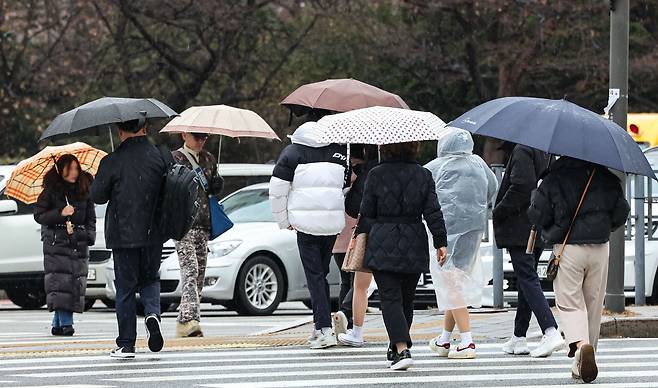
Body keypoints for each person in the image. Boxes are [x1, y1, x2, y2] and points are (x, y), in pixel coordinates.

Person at [528, 157, 629, 383]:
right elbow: (621, 212)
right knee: (593, 304)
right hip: (600, 247)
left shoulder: (553, 177)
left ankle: (581, 345)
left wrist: (538, 196)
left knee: (570, 301)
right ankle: (581, 361)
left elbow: (538, 214)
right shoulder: (606, 177)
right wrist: (603, 226)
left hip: (568, 247)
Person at [359, 141, 447, 370]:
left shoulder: (376, 174)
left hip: (382, 239)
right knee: (406, 298)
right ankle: (396, 344)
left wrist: (359, 236)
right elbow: (433, 211)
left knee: (390, 298)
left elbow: (367, 212)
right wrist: (440, 241)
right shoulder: (424, 175)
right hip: (413, 239)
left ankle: (401, 348)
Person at [269, 110, 349, 349]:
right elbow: (343, 186)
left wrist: (284, 221)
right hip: (332, 224)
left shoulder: (292, 152)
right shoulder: (338, 151)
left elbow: (277, 190)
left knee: (314, 275)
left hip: (305, 225)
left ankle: (323, 329)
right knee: (320, 274)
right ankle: (322, 326)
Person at [91, 119, 168, 359]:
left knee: (125, 288)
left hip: (123, 235)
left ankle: (126, 344)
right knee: (150, 279)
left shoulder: (112, 161)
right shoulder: (161, 156)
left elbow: (97, 196)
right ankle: (153, 314)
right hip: (154, 232)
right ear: (144, 128)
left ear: (120, 131)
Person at [425, 129, 498, 359]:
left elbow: (423, 194)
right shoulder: (478, 163)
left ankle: (467, 341)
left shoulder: (435, 166)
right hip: (474, 228)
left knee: (451, 282)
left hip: (444, 231)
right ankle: (445, 339)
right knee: (454, 281)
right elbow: (492, 188)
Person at [493, 143, 562, 358]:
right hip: (536, 223)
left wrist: (499, 210)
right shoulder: (545, 150)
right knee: (526, 279)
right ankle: (519, 336)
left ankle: (550, 330)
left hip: (520, 225)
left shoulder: (524, 149)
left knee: (527, 277)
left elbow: (521, 186)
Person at [34, 154, 96, 337]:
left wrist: (85, 235)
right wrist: (61, 213)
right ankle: (66, 323)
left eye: (76, 168)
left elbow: (90, 219)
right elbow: (40, 215)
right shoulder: (51, 191)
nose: (74, 173)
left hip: (77, 243)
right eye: (69, 169)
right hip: (56, 244)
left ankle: (58, 323)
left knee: (74, 283)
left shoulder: (84, 190)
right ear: (60, 170)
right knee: (61, 282)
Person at [171, 132, 224, 337]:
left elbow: (213, 189)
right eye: (197, 137)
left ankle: (186, 318)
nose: (201, 141)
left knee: (200, 272)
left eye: (204, 137)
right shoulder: (176, 158)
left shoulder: (209, 158)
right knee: (190, 270)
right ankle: (190, 319)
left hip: (204, 222)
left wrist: (217, 181)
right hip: (183, 224)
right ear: (185, 135)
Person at [333, 145, 378, 342]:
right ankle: (346, 314)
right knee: (358, 281)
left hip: (337, 230)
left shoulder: (338, 168)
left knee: (345, 280)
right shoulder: (369, 172)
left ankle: (346, 321)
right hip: (356, 230)